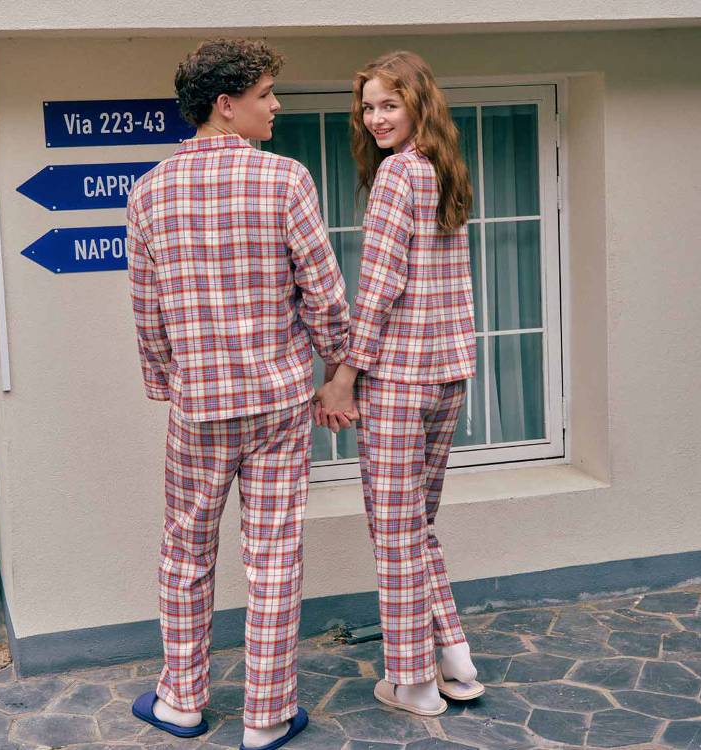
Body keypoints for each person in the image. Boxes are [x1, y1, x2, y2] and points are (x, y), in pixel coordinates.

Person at [126, 38, 350, 748]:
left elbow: (147, 311)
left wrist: (167, 379)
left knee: (185, 553)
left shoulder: (148, 191)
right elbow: (325, 294)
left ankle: (181, 702)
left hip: (199, 408)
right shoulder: (286, 180)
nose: (276, 104)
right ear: (225, 105)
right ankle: (267, 717)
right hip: (278, 403)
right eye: (264, 94)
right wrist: (335, 370)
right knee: (274, 557)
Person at [315, 50, 483, 715]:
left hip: (399, 383)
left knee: (395, 531)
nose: (376, 118)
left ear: (418, 103)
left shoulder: (397, 175)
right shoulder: (446, 169)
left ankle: (412, 682)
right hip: (448, 377)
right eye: (368, 107)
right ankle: (457, 662)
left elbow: (380, 286)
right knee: (416, 526)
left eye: (390, 104)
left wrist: (344, 377)